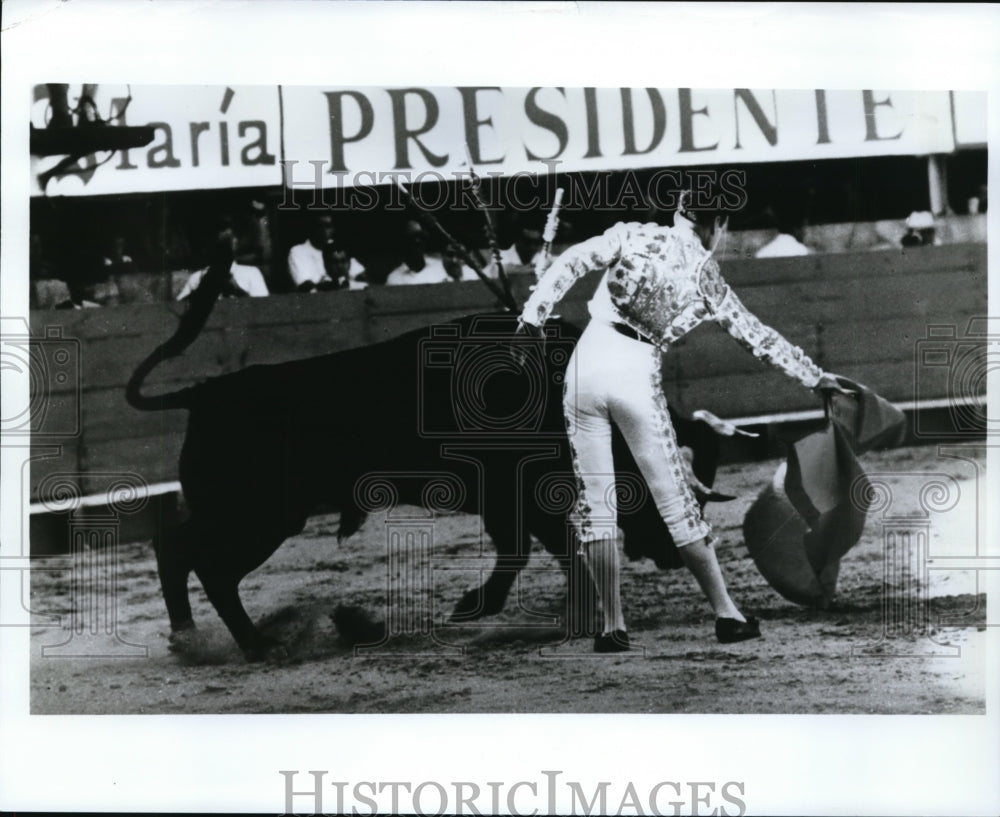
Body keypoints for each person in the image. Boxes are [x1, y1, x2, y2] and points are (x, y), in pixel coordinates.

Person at [517, 194, 844, 652]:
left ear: (677, 216)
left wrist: (533, 314)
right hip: (634, 373)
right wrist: (815, 376)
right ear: (717, 224)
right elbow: (756, 337)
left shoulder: (634, 233)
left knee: (595, 502)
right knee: (675, 500)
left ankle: (611, 627)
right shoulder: (705, 275)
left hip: (584, 367)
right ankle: (727, 614)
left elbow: (572, 260)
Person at [176, 218, 269, 300]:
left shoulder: (251, 273)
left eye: (226, 242)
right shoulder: (197, 277)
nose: (222, 247)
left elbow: (266, 308)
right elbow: (177, 308)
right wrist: (200, 290)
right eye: (218, 242)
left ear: (235, 244)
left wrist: (236, 289)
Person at [287, 213, 366, 292]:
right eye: (320, 226)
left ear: (333, 229)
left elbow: (362, 277)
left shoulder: (338, 248)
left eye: (328, 226)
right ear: (312, 228)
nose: (324, 231)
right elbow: (306, 287)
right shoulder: (298, 251)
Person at [386, 220, 461, 285]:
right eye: (411, 239)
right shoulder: (394, 278)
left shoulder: (440, 266)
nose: (417, 241)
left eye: (420, 237)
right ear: (403, 244)